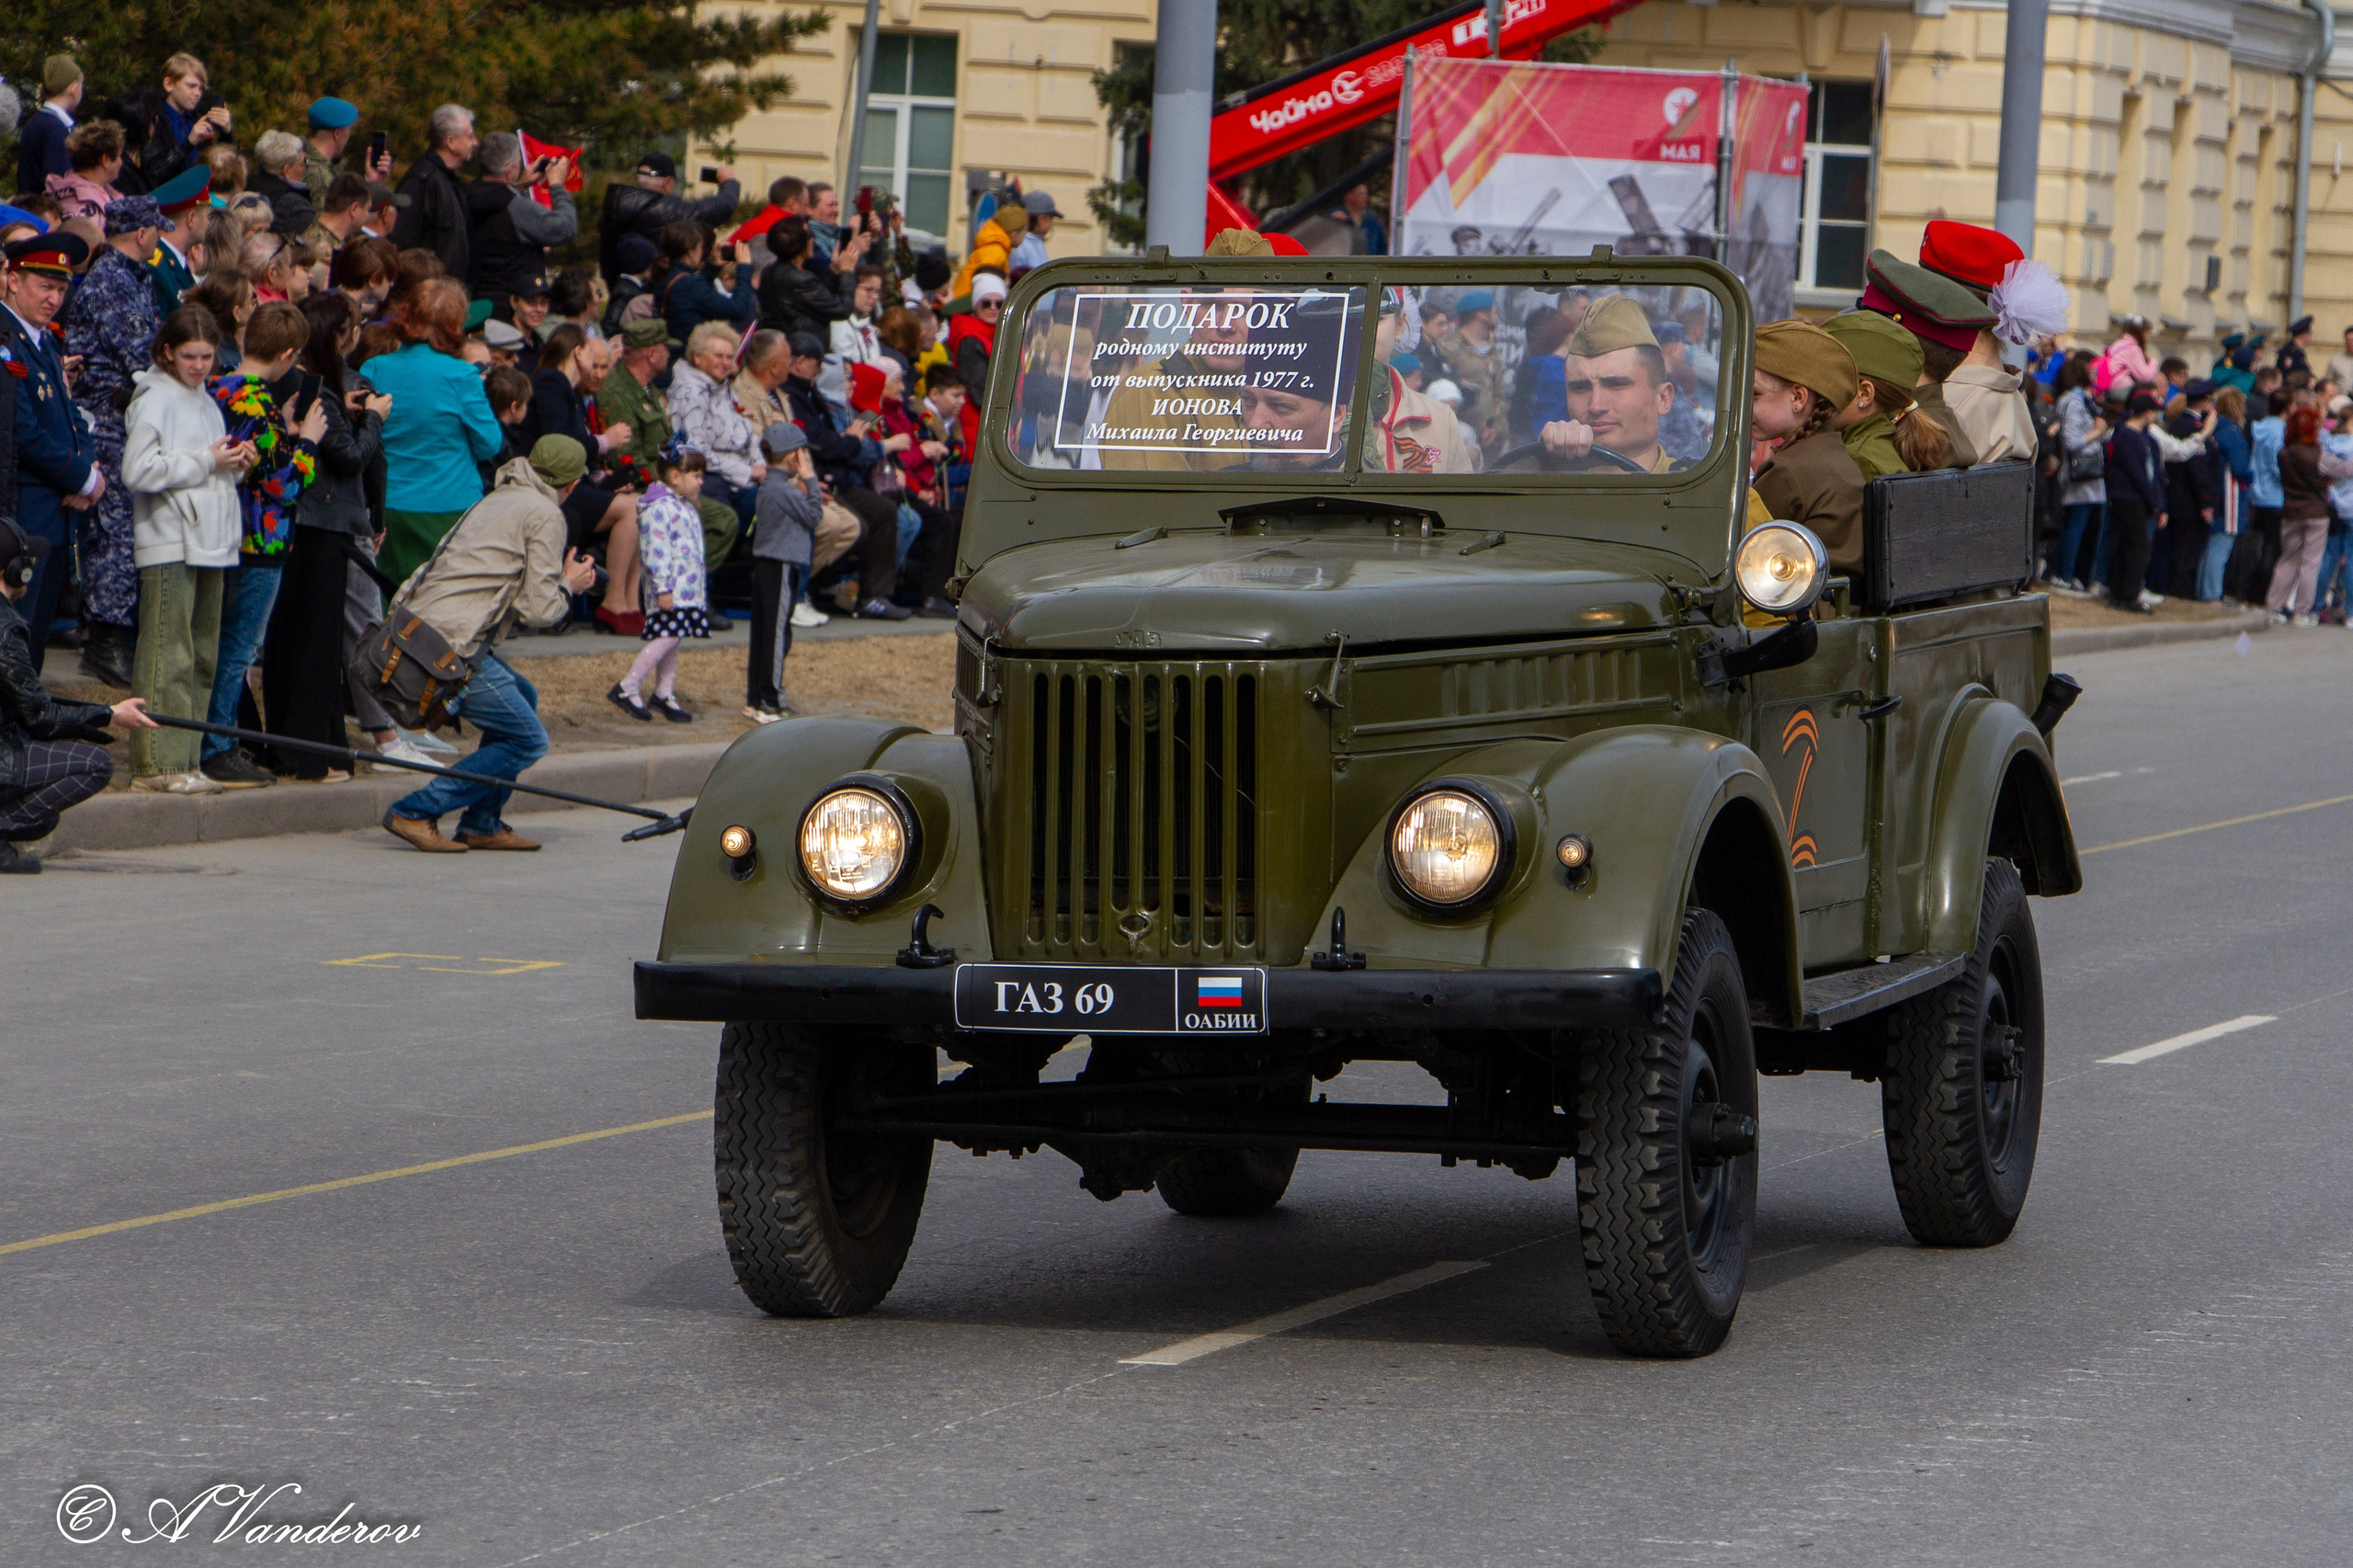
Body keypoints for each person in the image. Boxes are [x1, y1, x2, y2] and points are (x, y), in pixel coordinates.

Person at [380, 436, 599, 853]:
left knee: (523, 695)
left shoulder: (498, 497)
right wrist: (569, 585)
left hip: (419, 627)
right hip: (450, 644)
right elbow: (540, 609)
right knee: (528, 740)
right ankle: (415, 810)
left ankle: (482, 822)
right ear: (570, 484)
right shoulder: (545, 514)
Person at [257, 292, 385, 780]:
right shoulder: (315, 389)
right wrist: (375, 418)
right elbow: (350, 458)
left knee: (302, 643)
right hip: (320, 530)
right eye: (350, 328)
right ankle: (307, 756)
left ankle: (319, 750)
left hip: (305, 528)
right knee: (312, 647)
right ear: (334, 335)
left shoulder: (306, 386)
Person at [199, 301, 326, 787]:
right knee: (239, 647)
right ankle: (218, 746)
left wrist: (285, 433)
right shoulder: (259, 402)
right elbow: (286, 485)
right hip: (259, 541)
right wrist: (308, 441)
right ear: (289, 353)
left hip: (224, 535)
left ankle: (216, 740)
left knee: (221, 641)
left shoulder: (221, 385)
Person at [123, 305, 249, 797]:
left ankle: (187, 759)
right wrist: (207, 460)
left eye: (208, 356)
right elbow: (137, 471)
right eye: (190, 356)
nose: (199, 366)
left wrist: (234, 463)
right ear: (168, 352)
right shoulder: (155, 397)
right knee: (167, 654)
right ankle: (157, 764)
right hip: (170, 539)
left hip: (212, 539)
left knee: (200, 658)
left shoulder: (203, 398)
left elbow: (206, 464)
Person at [0, 518, 159, 871]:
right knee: (95, 765)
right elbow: (40, 717)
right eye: (28, 562)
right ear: (15, 572)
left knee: (43, 818)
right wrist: (111, 714)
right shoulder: (5, 631)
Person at [61, 196, 170, 689]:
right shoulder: (113, 282)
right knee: (115, 532)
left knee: (126, 528)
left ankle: (116, 633)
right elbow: (141, 354)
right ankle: (105, 640)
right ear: (142, 233)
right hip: (109, 418)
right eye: (155, 231)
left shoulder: (133, 277)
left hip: (128, 415)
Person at [1, 231, 100, 674]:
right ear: (13, 280)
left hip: (56, 512)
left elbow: (71, 415)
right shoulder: (6, 341)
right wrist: (80, 477)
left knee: (34, 642)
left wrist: (90, 466)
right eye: (44, 286)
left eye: (61, 289)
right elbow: (19, 427)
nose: (54, 298)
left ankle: (25, 736)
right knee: (14, 638)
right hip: (25, 508)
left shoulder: (45, 341)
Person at [368, 279, 506, 584]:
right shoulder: (461, 375)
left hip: (385, 506)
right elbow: (489, 444)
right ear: (455, 325)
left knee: (387, 606)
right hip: (448, 507)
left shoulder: (374, 368)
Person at [781, 331, 907, 618]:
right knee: (861, 524)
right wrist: (855, 441)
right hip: (826, 478)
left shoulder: (813, 396)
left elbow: (833, 443)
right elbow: (823, 444)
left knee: (887, 514)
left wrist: (852, 442)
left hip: (839, 477)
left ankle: (870, 595)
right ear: (801, 362)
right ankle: (810, 589)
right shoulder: (801, 396)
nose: (852, 383)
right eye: (847, 377)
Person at [1749, 319, 1868, 570]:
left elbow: (1744, 550)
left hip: (1804, 606)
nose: (1745, 406)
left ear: (1798, 397)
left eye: (1754, 395)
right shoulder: (1829, 451)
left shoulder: (1787, 472)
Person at [607, 441, 708, 722]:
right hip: (670, 591)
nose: (701, 482)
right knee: (667, 637)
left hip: (685, 592)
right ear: (676, 477)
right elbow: (656, 552)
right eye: (697, 476)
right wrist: (663, 588)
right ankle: (628, 686)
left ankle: (665, 693)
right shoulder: (658, 509)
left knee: (673, 641)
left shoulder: (683, 506)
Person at [1535, 297, 1685, 472]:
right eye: (1580, 388)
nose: (1596, 406)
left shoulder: (1695, 493)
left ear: (1663, 399)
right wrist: (1544, 471)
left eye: (1616, 384)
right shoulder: (1553, 482)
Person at [1823, 309, 1944, 479]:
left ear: (1864, 394)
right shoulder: (1879, 444)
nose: (1816, 390)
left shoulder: (1858, 459)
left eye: (1826, 380)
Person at [465, 134, 578, 313]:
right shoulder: (515, 208)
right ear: (508, 170)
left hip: (478, 303)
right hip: (513, 308)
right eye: (518, 163)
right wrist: (557, 185)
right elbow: (564, 227)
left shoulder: (468, 195)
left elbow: (499, 206)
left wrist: (517, 187)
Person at [597, 153, 741, 284]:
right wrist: (728, 181)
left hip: (621, 292)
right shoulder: (665, 210)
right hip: (654, 299)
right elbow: (722, 207)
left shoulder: (616, 207)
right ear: (667, 183)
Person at [392, 105, 477, 279]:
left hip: (448, 294)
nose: (475, 142)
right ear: (451, 142)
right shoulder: (422, 180)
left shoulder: (450, 181)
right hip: (428, 295)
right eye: (470, 136)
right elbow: (404, 242)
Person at [2048, 354, 2110, 591]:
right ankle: (2064, 574)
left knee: (2085, 528)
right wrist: (2097, 432)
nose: (2096, 375)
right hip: (2079, 477)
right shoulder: (2073, 402)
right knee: (2075, 526)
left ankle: (2074, 574)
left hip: (2090, 478)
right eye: (2092, 371)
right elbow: (2072, 441)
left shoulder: (2083, 400)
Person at [2105, 392, 2167, 615]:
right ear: (2147, 413)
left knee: (2128, 545)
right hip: (2129, 497)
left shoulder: (2139, 436)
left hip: (2133, 496)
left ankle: (2120, 591)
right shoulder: (2129, 436)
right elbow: (2138, 474)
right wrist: (2154, 501)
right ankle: (2128, 593)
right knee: (2137, 546)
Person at [2270, 403, 2330, 623]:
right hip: (2316, 512)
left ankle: (2274, 606)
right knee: (2310, 563)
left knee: (2288, 559)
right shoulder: (2317, 454)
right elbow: (2342, 469)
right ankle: (2301, 611)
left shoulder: (2284, 453)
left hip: (2292, 510)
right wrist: (2328, 481)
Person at [652, 222, 756, 345]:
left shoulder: (666, 274)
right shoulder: (689, 284)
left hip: (671, 350)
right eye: (701, 247)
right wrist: (744, 267)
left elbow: (697, 298)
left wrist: (712, 267)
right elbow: (737, 310)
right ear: (690, 252)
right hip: (686, 355)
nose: (703, 253)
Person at [2203, 386, 2255, 603]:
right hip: (2230, 494)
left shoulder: (2214, 429)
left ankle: (2205, 590)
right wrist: (2251, 476)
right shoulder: (2232, 433)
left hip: (2214, 492)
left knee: (2211, 547)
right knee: (2221, 547)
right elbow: (2240, 468)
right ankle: (2212, 594)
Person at [300, 96, 390, 210]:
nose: (349, 136)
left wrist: (370, 180)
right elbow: (333, 223)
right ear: (337, 134)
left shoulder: (298, 156)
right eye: (348, 130)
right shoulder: (320, 177)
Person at [146, 165, 211, 314]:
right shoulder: (156, 269)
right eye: (206, 216)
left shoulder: (175, 261)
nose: (208, 223)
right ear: (191, 219)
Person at [17, 56, 84, 202]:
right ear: (73, 88)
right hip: (48, 214)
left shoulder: (36, 121)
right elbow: (59, 184)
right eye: (81, 85)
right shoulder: (57, 129)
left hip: (31, 207)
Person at [47, 119, 124, 223]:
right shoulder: (79, 207)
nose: (120, 162)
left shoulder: (106, 191)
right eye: (119, 156)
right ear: (105, 160)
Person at [244, 131, 317, 237]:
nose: (306, 167)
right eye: (304, 162)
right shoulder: (294, 206)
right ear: (287, 170)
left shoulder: (246, 185)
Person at [951, 201, 1027, 300]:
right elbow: (987, 290)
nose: (1024, 238)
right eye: (1024, 233)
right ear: (1014, 234)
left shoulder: (995, 248)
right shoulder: (995, 252)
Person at [1010, 190, 1061, 272]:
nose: (1051, 224)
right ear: (1041, 219)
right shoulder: (1019, 245)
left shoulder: (1036, 240)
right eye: (1050, 219)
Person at [2279, 315, 2315, 380]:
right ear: (2304, 335)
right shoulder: (2290, 352)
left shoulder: (2299, 352)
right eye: (2309, 334)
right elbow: (2288, 376)